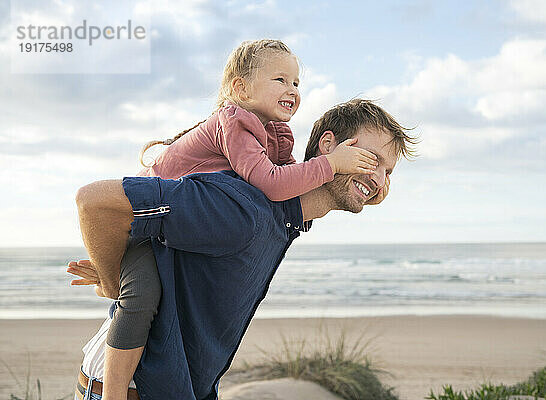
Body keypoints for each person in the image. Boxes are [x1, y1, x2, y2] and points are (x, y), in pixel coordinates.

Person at [75, 39, 382, 400]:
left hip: (179, 384)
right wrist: (112, 280)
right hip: (130, 384)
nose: (292, 90)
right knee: (139, 295)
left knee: (142, 292)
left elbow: (286, 187)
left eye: (297, 83)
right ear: (240, 87)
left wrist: (367, 185)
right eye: (370, 159)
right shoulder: (239, 150)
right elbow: (273, 184)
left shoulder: (273, 148)